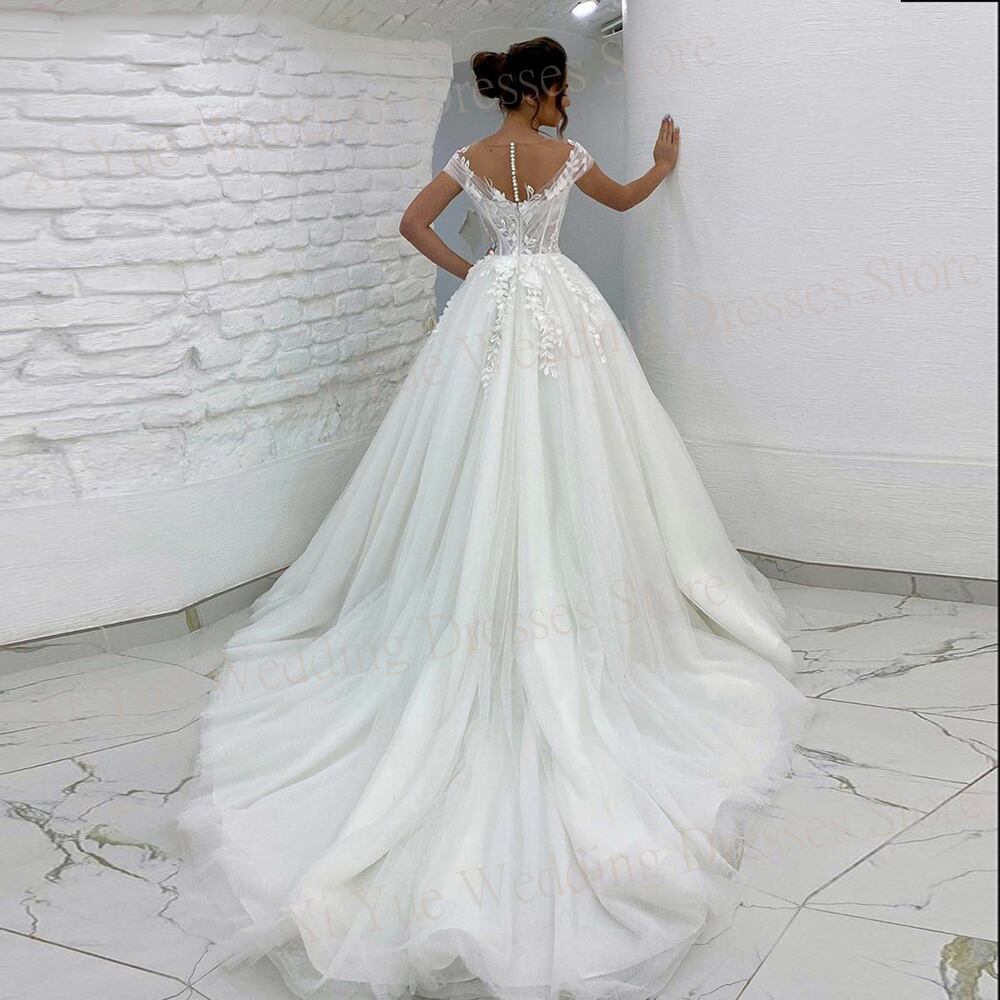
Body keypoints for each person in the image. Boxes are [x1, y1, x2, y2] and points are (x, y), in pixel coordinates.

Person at [180, 35, 813, 1000]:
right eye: (564, 90)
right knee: (581, 449)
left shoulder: (472, 158)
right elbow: (624, 203)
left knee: (470, 455)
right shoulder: (568, 156)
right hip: (559, 306)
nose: (566, 103)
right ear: (547, 89)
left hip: (490, 311)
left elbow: (413, 224)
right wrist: (663, 168)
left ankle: (468, 593)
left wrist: (469, 270)